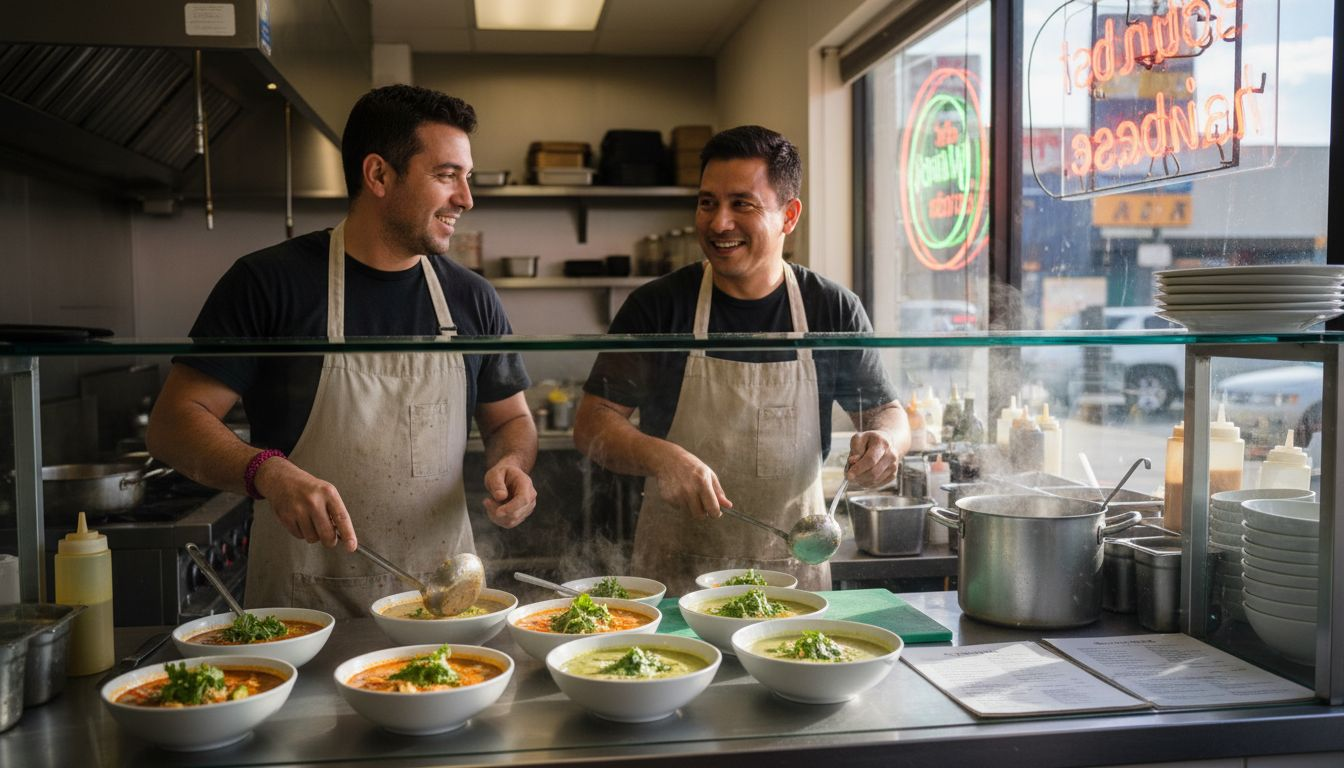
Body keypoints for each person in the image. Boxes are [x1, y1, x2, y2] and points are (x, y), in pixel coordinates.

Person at [146, 85, 538, 618]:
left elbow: (509, 419)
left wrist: (512, 464)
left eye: (466, 177)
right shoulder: (268, 283)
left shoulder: (473, 298)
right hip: (306, 610)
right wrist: (268, 471)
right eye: (447, 176)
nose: (466, 198)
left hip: (442, 602)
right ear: (378, 175)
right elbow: (172, 424)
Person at [573, 125, 908, 595]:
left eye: (741, 204)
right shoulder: (659, 306)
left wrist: (886, 442)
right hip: (677, 579)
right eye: (707, 202)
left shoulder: (830, 308)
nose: (718, 223)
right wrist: (661, 457)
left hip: (794, 574)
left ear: (789, 216)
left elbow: (885, 413)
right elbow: (592, 425)